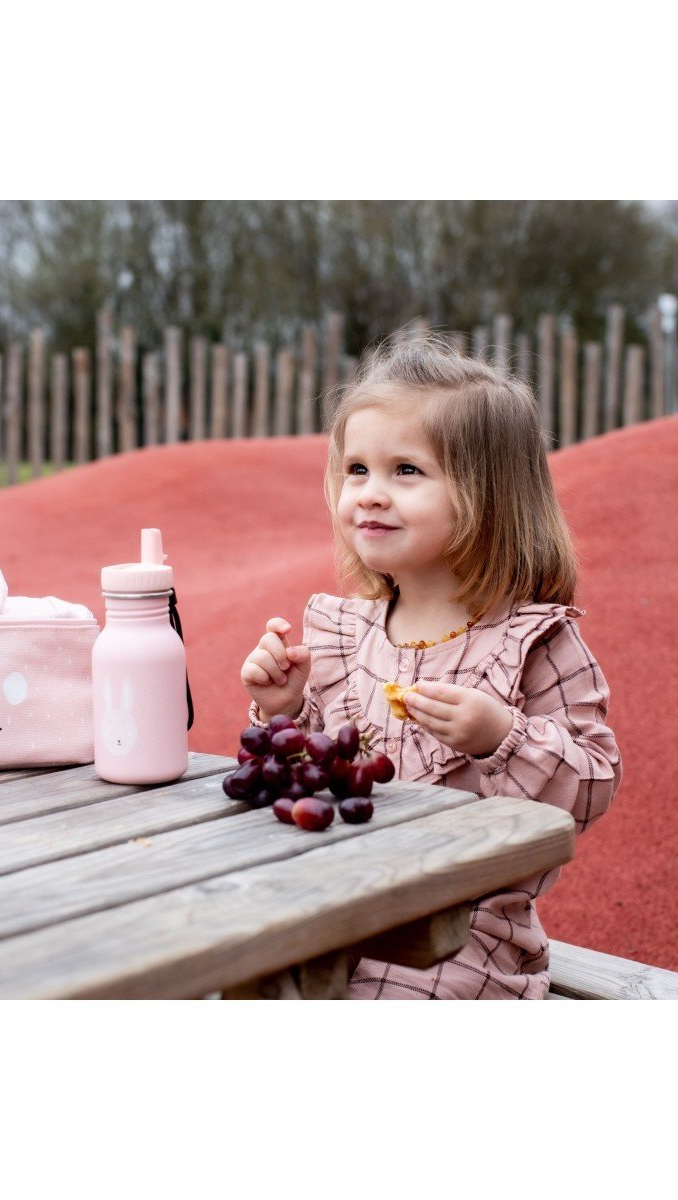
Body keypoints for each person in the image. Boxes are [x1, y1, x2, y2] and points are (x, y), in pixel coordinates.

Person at [240, 331, 622, 1000]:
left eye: (405, 471)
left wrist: (500, 736)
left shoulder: (533, 642)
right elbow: (316, 784)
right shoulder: (341, 632)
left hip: (460, 936)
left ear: (490, 496)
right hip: (333, 905)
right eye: (356, 469)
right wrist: (285, 711)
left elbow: (592, 786)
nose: (370, 494)